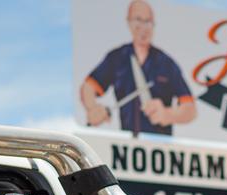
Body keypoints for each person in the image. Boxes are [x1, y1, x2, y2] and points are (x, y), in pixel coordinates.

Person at [80, 0, 196, 136]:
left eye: (148, 22)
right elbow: (88, 87)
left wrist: (167, 114)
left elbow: (190, 109)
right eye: (138, 20)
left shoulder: (166, 63)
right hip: (127, 146)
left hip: (160, 147)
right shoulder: (116, 58)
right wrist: (92, 108)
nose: (143, 28)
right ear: (129, 22)